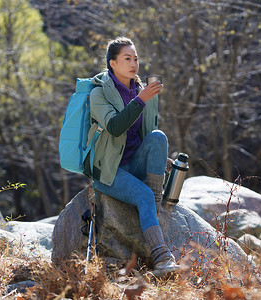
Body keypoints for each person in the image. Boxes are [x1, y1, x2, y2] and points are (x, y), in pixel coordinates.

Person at [84, 36, 180, 275]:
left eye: (135, 58)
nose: (133, 63)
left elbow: (145, 135)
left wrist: (157, 158)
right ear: (112, 63)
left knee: (159, 137)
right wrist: (141, 100)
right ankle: (162, 258)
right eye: (127, 58)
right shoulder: (98, 94)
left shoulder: (138, 89)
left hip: (133, 164)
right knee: (144, 195)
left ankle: (154, 203)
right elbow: (115, 127)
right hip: (109, 171)